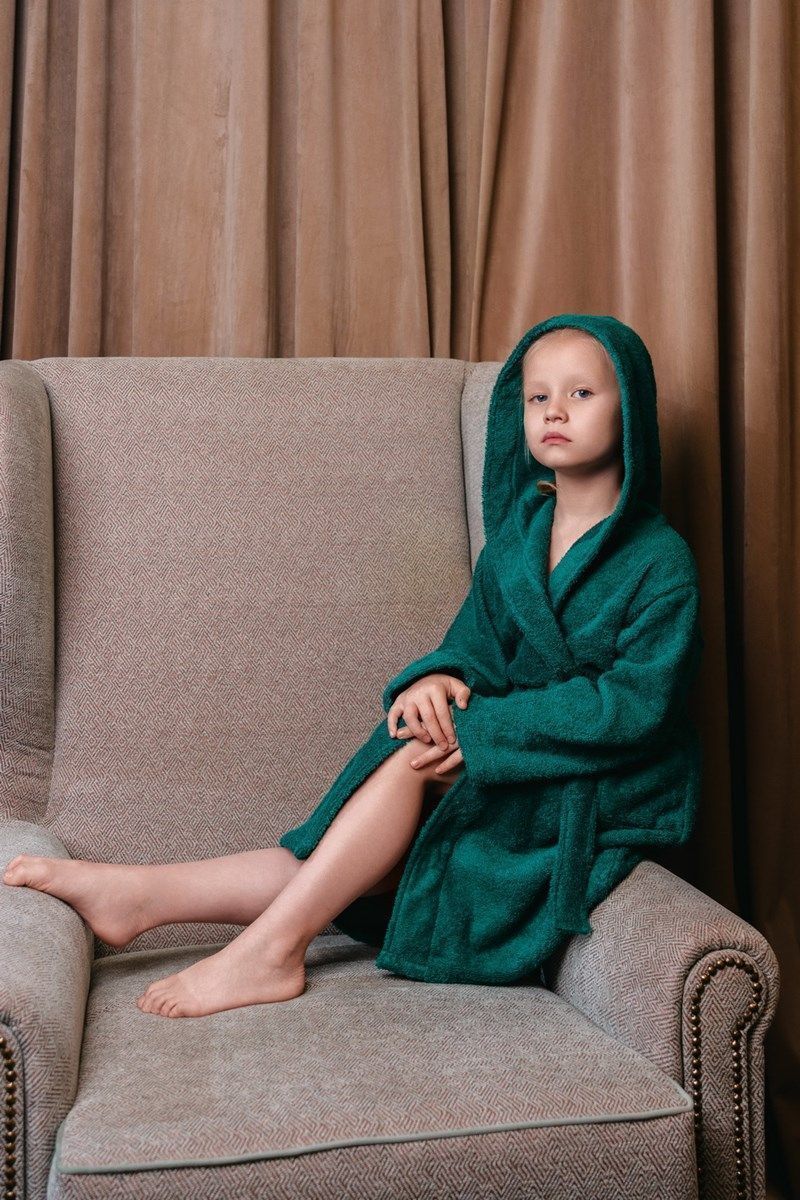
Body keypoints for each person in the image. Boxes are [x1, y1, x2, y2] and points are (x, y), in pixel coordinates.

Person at [2, 314, 704, 1018]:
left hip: (600, 780)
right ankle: (146, 897)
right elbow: (477, 647)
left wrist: (484, 731)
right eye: (537, 396)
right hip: (514, 751)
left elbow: (633, 707)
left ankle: (265, 946)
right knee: (398, 770)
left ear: (630, 410)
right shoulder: (519, 540)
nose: (554, 411)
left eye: (581, 394)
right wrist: (438, 679)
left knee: (413, 761)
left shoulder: (660, 562)